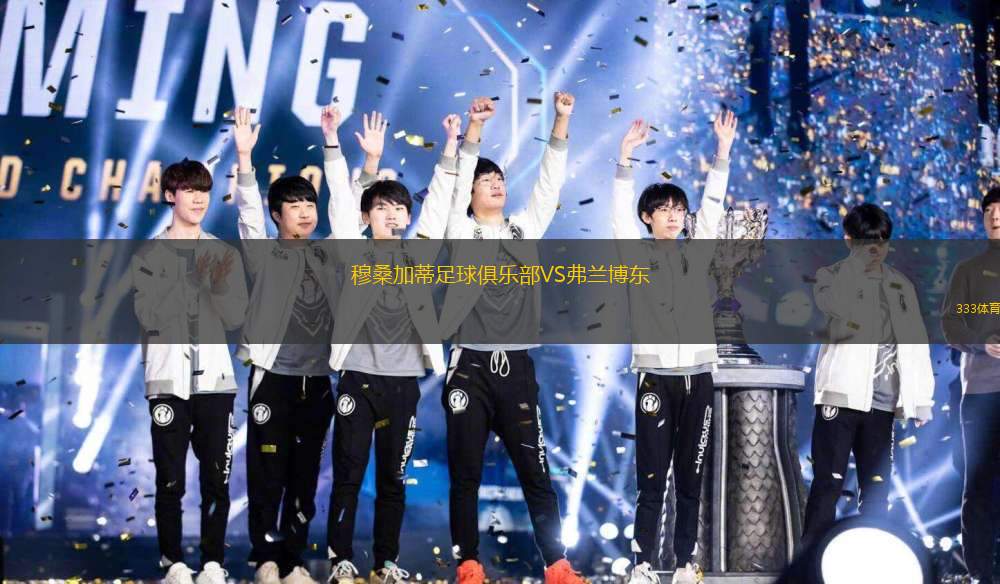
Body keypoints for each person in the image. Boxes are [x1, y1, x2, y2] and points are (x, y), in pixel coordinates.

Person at [438, 94, 585, 584]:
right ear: (469, 192)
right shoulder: (459, 231)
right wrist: (475, 130)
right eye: (486, 180)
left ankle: (557, 564)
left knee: (536, 474)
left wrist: (561, 120)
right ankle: (468, 564)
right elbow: (456, 183)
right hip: (470, 369)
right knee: (466, 473)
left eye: (499, 178)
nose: (496, 184)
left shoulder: (524, 229)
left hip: (517, 368)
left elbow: (548, 184)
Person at [319, 105, 458, 584]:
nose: (393, 214)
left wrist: (451, 147)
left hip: (402, 385)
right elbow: (340, 200)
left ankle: (386, 563)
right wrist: (335, 143)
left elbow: (440, 203)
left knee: (394, 479)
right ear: (367, 217)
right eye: (381, 207)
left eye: (399, 208)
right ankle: (340, 560)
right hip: (357, 379)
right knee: (349, 473)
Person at [613, 112, 737, 584]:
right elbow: (618, 212)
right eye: (663, 209)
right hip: (655, 381)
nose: (673, 215)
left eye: (678, 209)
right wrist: (625, 156)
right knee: (651, 479)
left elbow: (714, 204)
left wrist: (722, 152)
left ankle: (686, 564)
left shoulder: (697, 251)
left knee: (690, 477)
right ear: (647, 217)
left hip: (698, 379)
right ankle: (643, 565)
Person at [233, 106, 340, 584]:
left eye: (309, 204)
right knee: (267, 473)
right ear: (276, 215)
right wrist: (244, 157)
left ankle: (294, 560)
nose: (305, 211)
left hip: (317, 381)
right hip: (272, 378)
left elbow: (351, 215)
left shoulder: (331, 254)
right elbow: (246, 211)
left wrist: (340, 146)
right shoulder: (264, 253)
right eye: (294, 205)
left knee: (305, 476)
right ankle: (266, 558)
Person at [130, 159, 248, 584]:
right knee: (170, 479)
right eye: (189, 190)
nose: (199, 199)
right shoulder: (148, 254)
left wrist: (213, 284)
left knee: (217, 478)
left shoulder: (224, 253)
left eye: (204, 191)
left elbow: (235, 316)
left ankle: (213, 562)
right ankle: (173, 563)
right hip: (167, 382)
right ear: (170, 195)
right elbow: (147, 314)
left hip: (215, 382)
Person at [801, 203, 934, 548]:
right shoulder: (831, 276)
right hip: (841, 396)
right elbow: (835, 307)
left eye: (881, 242)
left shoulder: (901, 285)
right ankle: (810, 563)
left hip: (883, 403)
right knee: (827, 485)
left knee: (876, 490)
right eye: (866, 242)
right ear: (849, 240)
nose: (875, 250)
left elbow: (917, 342)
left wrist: (921, 399)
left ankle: (869, 562)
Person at [942, 187, 1000, 583]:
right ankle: (979, 573)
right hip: (980, 393)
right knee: (977, 485)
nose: (995, 216)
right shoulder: (968, 271)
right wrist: (982, 343)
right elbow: (951, 324)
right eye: (989, 210)